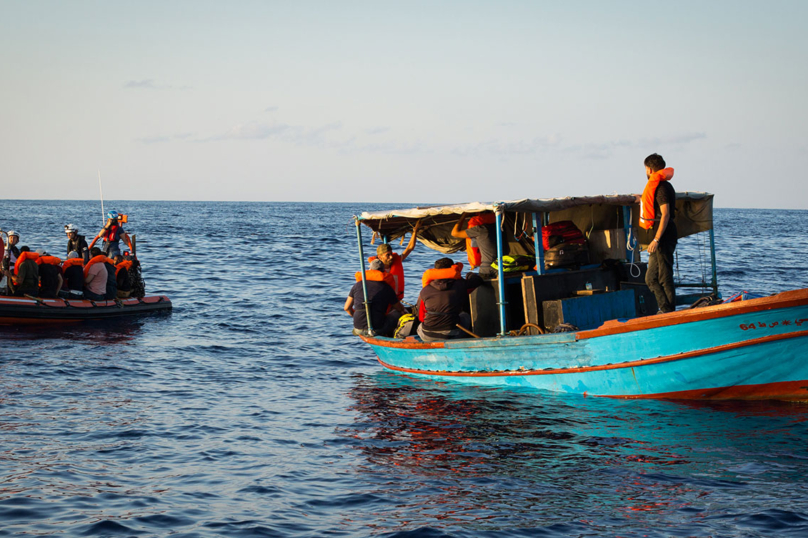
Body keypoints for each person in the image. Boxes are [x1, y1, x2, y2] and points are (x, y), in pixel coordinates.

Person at [636, 153, 677, 314]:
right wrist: (640, 199)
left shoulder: (661, 188)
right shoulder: (659, 186)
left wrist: (657, 239)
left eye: (645, 169)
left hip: (663, 235)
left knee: (664, 274)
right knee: (650, 278)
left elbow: (665, 214)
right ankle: (665, 308)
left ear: (650, 169)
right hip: (658, 235)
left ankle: (669, 311)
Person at [416, 257, 484, 342]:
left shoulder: (425, 290)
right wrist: (469, 275)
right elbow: (477, 281)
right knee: (465, 316)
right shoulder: (460, 285)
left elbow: (420, 316)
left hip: (427, 335)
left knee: (419, 327)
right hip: (452, 334)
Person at [345, 259, 406, 336]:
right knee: (398, 314)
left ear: (370, 269)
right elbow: (399, 308)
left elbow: (346, 308)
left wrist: (356, 316)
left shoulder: (357, 285)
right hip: (377, 328)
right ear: (383, 272)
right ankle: (393, 335)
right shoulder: (386, 287)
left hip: (358, 328)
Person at [372, 220, 422, 301]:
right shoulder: (375, 268)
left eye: (391, 254)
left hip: (395, 301)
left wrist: (415, 231)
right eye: (388, 255)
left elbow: (410, 248)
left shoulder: (396, 261)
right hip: (382, 302)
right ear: (380, 257)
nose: (391, 257)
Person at [450, 212, 501, 279]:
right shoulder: (500, 226)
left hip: (487, 268)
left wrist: (464, 216)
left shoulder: (480, 229)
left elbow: (455, 233)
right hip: (503, 265)